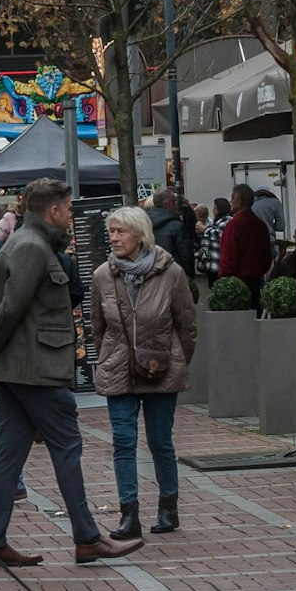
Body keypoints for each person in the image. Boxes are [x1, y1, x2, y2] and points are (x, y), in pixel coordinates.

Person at [0, 180, 146, 566]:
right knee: (66, 447)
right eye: (66, 209)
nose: (70, 215)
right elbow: (8, 309)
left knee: (9, 456)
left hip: (21, 368)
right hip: (36, 368)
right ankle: (87, 537)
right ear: (53, 211)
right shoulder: (31, 246)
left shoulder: (24, 241)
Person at [90, 205, 197, 540]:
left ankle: (168, 507)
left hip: (159, 369)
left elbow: (187, 326)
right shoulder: (102, 276)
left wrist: (174, 360)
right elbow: (97, 327)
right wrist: (110, 356)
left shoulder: (171, 273)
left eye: (121, 231)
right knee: (123, 441)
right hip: (119, 369)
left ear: (140, 235)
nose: (115, 237)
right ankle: (128, 514)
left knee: (160, 441)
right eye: (111, 231)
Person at [217, 185, 272, 317]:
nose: (230, 201)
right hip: (256, 279)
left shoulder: (233, 225)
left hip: (237, 281)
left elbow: (229, 256)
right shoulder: (260, 225)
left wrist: (223, 276)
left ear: (239, 202)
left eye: (232, 198)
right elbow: (266, 255)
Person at [199, 197, 232, 282]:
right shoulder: (218, 221)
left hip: (218, 264)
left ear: (220, 209)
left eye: (214, 208)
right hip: (212, 264)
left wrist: (204, 229)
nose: (213, 210)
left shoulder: (227, 221)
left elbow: (219, 234)